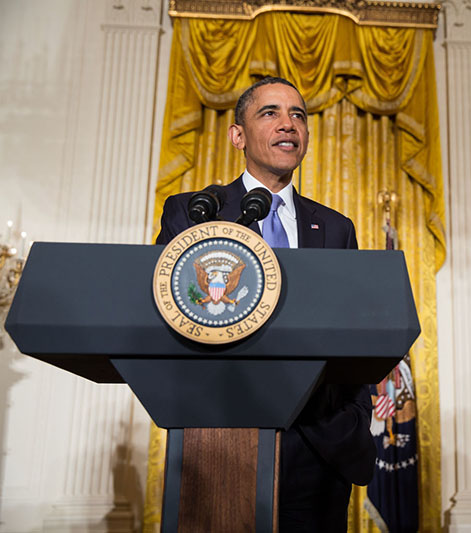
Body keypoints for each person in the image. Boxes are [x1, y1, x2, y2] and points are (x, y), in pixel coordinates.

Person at [156, 76, 375, 531]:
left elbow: (359, 331)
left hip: (320, 448)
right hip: (220, 441)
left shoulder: (335, 228)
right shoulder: (196, 211)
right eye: (270, 113)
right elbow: (164, 315)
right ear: (238, 135)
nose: (288, 125)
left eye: (298, 115)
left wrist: (352, 415)